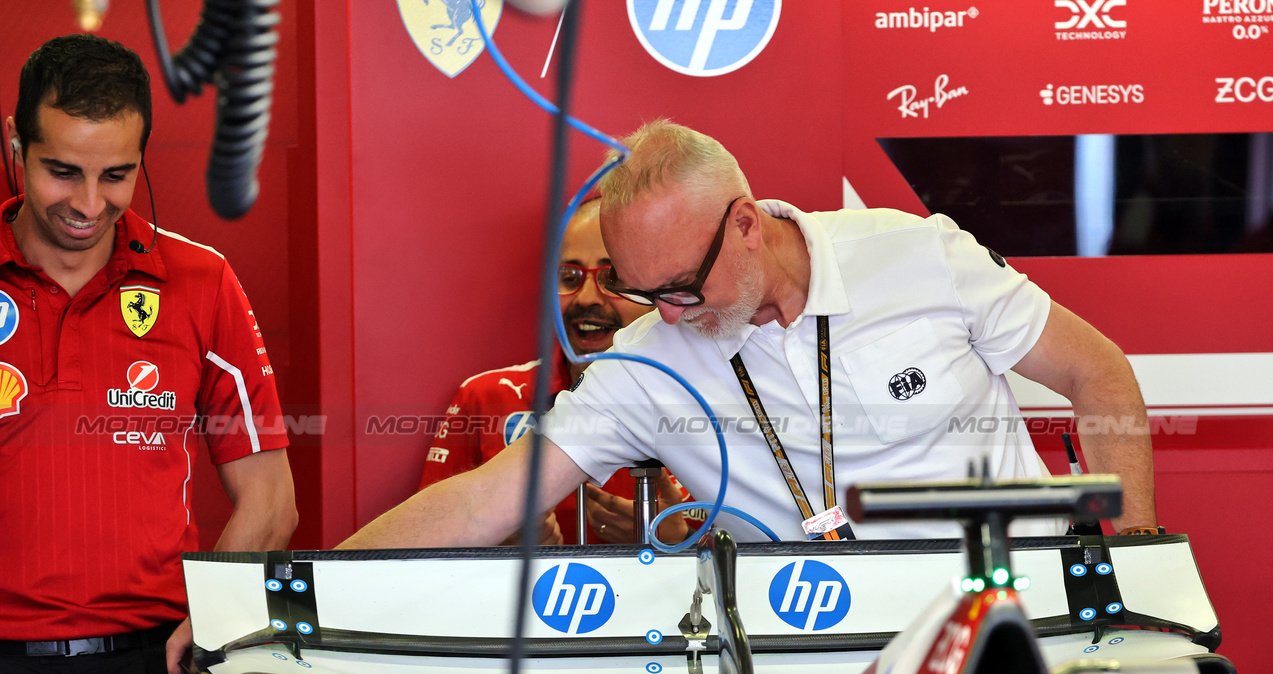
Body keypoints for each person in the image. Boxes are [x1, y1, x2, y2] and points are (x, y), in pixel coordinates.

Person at [341, 118, 1156, 550]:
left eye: (682, 287)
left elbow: (1099, 376)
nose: (665, 314)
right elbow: (486, 499)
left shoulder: (915, 254)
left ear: (744, 224)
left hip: (1017, 628)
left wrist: (1139, 564)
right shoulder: (646, 364)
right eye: (643, 290)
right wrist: (303, 585)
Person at [0, 34, 297, 674]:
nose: (88, 204)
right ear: (14, 144)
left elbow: (270, 498)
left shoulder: (202, 283)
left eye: (116, 175)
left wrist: (215, 612)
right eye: (61, 170)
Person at [419, 197, 697, 546]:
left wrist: (681, 541)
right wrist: (496, 543)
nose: (586, 298)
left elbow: (763, 556)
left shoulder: (717, 403)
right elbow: (427, 553)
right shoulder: (488, 398)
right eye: (569, 276)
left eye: (612, 278)